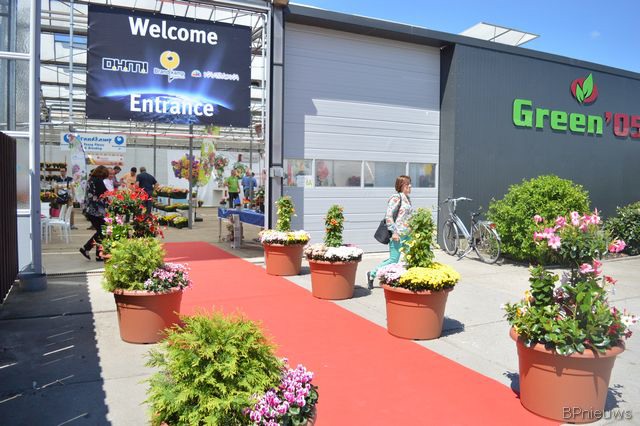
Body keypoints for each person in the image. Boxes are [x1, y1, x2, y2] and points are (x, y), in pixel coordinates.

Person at [367, 175, 414, 290]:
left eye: (410, 183)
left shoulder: (407, 198)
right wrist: (394, 232)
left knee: (411, 256)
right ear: (401, 185)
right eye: (407, 184)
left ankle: (408, 279)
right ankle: (372, 273)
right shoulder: (396, 198)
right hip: (398, 234)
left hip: (408, 235)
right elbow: (389, 216)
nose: (410, 186)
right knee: (393, 259)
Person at [80, 165, 109, 261]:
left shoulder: (90, 180)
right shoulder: (98, 181)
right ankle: (92, 251)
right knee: (103, 231)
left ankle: (91, 251)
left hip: (90, 210)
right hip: (96, 211)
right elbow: (105, 194)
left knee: (101, 232)